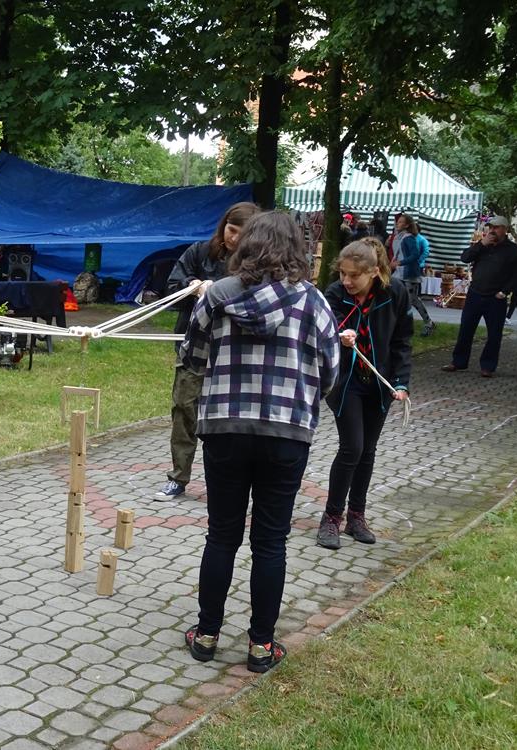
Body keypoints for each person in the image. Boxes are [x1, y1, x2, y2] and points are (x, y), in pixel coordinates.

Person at [180, 211, 339, 673]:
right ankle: (261, 646)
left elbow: (191, 357)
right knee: (271, 541)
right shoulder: (313, 301)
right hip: (286, 432)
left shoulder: (217, 296)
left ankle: (206, 635)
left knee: (222, 534)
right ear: (296, 248)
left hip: (225, 429)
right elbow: (330, 369)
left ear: (246, 244)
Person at [158, 201, 261, 498]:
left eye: (241, 232)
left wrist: (219, 291)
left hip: (232, 353)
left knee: (226, 419)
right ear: (223, 225)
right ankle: (179, 476)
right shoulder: (200, 252)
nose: (234, 238)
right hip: (193, 348)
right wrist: (192, 286)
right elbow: (171, 288)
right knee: (184, 408)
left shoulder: (257, 264)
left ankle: (226, 482)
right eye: (231, 229)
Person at [317, 238, 413, 550]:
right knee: (352, 448)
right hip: (346, 382)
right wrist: (338, 335)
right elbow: (322, 331)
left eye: (354, 275)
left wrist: (400, 382)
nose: (346, 281)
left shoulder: (395, 293)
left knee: (368, 451)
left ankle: (356, 516)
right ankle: (331, 517)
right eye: (342, 273)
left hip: (379, 383)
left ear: (374, 271)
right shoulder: (335, 293)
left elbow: (402, 341)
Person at [442, 216, 517, 377]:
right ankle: (458, 361)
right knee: (466, 330)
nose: (492, 230)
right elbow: (465, 258)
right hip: (476, 293)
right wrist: (481, 244)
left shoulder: (513, 250)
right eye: (490, 227)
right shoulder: (482, 246)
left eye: (496, 227)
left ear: (505, 230)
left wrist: (504, 292)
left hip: (496, 297)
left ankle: (488, 366)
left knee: (494, 334)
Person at [393, 217, 435, 336]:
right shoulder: (399, 237)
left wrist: (400, 262)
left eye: (400, 222)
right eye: (397, 222)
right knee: (399, 299)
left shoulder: (409, 238)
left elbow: (415, 255)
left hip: (409, 273)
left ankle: (428, 323)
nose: (397, 224)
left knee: (413, 300)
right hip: (400, 273)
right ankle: (399, 325)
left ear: (407, 225)